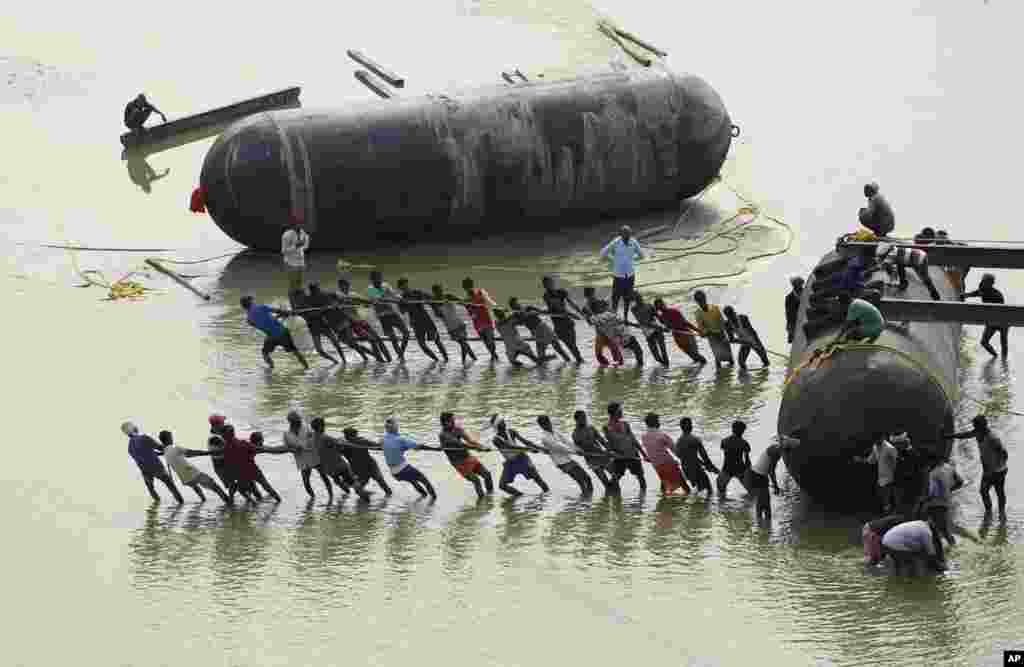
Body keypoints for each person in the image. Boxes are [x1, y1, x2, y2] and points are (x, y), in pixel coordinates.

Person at [947, 415, 1008, 518]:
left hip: (998, 470)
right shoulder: (978, 432)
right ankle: (989, 513)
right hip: (988, 470)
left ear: (982, 426)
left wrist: (996, 466)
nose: (974, 428)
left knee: (998, 492)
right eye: (974, 426)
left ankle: (1001, 513)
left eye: (975, 426)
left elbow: (1004, 453)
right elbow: (965, 435)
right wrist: (949, 436)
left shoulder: (992, 438)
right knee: (984, 491)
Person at [517, 416, 592, 495]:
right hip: (562, 463)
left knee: (587, 478)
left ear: (549, 421)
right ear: (541, 426)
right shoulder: (545, 438)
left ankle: (588, 499)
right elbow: (559, 447)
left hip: (569, 459)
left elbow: (566, 441)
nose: (548, 425)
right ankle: (585, 501)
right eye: (545, 424)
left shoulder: (555, 431)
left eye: (548, 423)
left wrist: (577, 449)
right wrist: (576, 452)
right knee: (581, 481)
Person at [308, 282, 380, 362]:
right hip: (334, 325)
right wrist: (323, 310)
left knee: (351, 342)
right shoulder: (312, 300)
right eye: (314, 291)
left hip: (343, 321)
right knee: (351, 344)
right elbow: (315, 313)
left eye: (317, 289)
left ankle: (369, 356)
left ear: (318, 289)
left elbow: (342, 298)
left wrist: (336, 303)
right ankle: (370, 355)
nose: (317, 292)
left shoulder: (328, 294)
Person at [158, 430, 231, 503]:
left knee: (195, 486)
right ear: (168, 438)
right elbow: (191, 453)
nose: (172, 439)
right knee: (215, 486)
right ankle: (229, 502)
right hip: (193, 473)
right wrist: (209, 453)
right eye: (171, 437)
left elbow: (179, 458)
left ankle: (203, 500)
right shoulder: (175, 448)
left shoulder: (165, 452)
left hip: (184, 479)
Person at [485, 414, 549, 496]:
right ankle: (520, 496)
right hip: (510, 463)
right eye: (502, 422)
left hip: (522, 459)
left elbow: (526, 442)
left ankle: (548, 494)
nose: (505, 423)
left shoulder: (512, 431)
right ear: (497, 426)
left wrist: (540, 448)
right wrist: (528, 449)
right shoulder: (496, 440)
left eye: (503, 421)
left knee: (537, 479)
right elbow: (510, 447)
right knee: (502, 485)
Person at [310, 417, 371, 501]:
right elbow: (342, 443)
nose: (324, 427)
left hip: (329, 469)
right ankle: (366, 502)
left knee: (338, 481)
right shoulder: (325, 437)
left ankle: (346, 494)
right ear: (320, 427)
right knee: (354, 483)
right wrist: (361, 446)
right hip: (340, 465)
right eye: (323, 425)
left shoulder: (312, 438)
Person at [240, 296, 309, 370]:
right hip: (282, 333)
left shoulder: (249, 319)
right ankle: (306, 367)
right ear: (250, 302)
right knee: (295, 352)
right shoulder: (261, 307)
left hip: (271, 337)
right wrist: (287, 313)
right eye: (252, 300)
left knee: (265, 353)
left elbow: (264, 325)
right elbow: (278, 311)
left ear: (244, 307)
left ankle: (271, 369)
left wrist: (278, 316)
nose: (254, 302)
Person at [222, 426, 286, 503]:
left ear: (224, 436)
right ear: (233, 433)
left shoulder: (227, 447)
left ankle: (254, 503)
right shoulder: (243, 444)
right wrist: (286, 449)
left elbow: (227, 461)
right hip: (252, 470)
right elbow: (267, 449)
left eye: (223, 435)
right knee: (266, 487)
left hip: (241, 473)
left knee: (244, 490)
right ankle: (278, 501)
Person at [124, 421, 183, 503]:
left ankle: (156, 506)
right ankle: (181, 503)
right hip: (157, 468)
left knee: (151, 489)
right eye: (135, 426)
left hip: (145, 471)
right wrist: (167, 445)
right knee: (170, 485)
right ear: (134, 429)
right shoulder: (144, 438)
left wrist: (159, 453)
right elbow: (160, 447)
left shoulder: (129, 447)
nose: (137, 427)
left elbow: (145, 454)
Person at [439, 412, 494, 499]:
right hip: (458, 463)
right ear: (446, 422)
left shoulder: (457, 429)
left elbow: (470, 441)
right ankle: (482, 501)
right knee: (476, 481)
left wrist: (482, 446)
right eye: (452, 420)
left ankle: (490, 497)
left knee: (487, 474)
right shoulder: (443, 435)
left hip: (468, 457)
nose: (454, 422)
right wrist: (478, 448)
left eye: (454, 420)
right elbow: (460, 444)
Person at [336, 278, 391, 362]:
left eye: (347, 286)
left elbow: (365, 301)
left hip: (360, 320)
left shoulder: (352, 294)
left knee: (378, 339)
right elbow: (341, 300)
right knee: (371, 340)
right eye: (344, 286)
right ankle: (380, 360)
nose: (346, 287)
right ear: (340, 287)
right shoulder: (338, 295)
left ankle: (389, 359)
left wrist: (370, 302)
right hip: (352, 323)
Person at [381, 417, 438, 499]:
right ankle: (434, 499)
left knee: (413, 481)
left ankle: (424, 496)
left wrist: (404, 448)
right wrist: (436, 449)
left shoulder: (382, 439)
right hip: (403, 468)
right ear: (394, 427)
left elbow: (389, 449)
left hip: (394, 473)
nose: (398, 426)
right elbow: (419, 446)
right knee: (424, 480)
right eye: (397, 424)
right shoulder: (400, 439)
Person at [289, 287, 347, 364]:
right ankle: (335, 361)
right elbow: (295, 312)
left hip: (322, 324)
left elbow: (320, 306)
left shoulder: (310, 299)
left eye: (301, 296)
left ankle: (344, 361)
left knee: (335, 343)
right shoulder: (298, 306)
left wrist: (326, 307)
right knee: (319, 350)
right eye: (298, 297)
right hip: (313, 329)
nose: (300, 298)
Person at [600, 225, 646, 321]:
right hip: (618, 275)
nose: (627, 236)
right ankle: (614, 316)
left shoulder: (633, 242)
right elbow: (603, 253)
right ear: (620, 234)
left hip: (630, 274)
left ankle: (625, 317)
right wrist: (613, 260)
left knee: (628, 297)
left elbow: (642, 255)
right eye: (625, 234)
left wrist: (632, 260)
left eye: (629, 234)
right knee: (615, 297)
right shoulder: (616, 242)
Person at [397, 278, 448, 362]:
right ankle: (436, 360)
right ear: (400, 288)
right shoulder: (401, 298)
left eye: (406, 285)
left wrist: (436, 310)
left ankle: (446, 359)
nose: (405, 287)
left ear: (407, 284)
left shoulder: (417, 292)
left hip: (425, 319)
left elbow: (431, 299)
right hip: (415, 322)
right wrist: (403, 303)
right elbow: (402, 312)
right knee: (422, 345)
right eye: (403, 286)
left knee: (437, 340)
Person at [284, 410, 332, 501]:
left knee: (324, 476)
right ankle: (313, 498)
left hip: (314, 456)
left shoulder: (306, 428)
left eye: (299, 420)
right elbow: (287, 447)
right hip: (301, 459)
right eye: (297, 420)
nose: (299, 421)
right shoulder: (286, 434)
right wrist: (294, 449)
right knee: (306, 482)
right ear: (292, 422)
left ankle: (331, 496)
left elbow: (315, 439)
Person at [603, 402, 648, 493]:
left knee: (641, 478)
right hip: (620, 457)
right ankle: (610, 495)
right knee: (615, 479)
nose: (622, 412)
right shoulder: (607, 427)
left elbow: (634, 440)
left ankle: (642, 501)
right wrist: (610, 454)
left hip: (632, 454)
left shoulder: (625, 424)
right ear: (614, 412)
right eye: (620, 410)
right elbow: (610, 444)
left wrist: (644, 455)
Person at [641, 414, 689, 496]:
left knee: (664, 485)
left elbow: (652, 451)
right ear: (655, 422)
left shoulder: (643, 436)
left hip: (657, 465)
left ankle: (663, 503)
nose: (659, 422)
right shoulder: (662, 435)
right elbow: (676, 452)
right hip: (668, 463)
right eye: (658, 420)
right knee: (685, 487)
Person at [962, 273, 1008, 357]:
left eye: (985, 281)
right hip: (991, 320)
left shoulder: (997, 295)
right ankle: (996, 357)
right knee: (984, 342)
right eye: (983, 281)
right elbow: (975, 293)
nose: (983, 283)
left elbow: (1000, 310)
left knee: (1003, 343)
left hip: (1002, 320)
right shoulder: (982, 289)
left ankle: (1004, 362)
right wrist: (966, 295)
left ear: (991, 283)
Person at [367, 271, 410, 360]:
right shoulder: (370, 289)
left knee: (406, 333)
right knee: (393, 339)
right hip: (383, 317)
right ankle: (402, 358)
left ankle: (400, 354)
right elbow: (378, 299)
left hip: (392, 313)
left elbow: (394, 294)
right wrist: (388, 298)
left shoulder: (385, 285)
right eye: (376, 278)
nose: (379, 280)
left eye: (380, 278)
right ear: (372, 279)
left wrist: (401, 299)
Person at [541, 276, 585, 363]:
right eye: (547, 284)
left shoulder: (562, 292)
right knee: (561, 345)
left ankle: (578, 362)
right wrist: (571, 314)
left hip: (568, 323)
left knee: (572, 346)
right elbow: (557, 308)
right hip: (558, 325)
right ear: (544, 286)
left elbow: (572, 303)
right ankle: (572, 361)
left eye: (550, 283)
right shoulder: (546, 296)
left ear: (553, 283)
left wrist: (581, 313)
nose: (549, 285)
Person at [509, 297, 567, 363]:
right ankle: (553, 357)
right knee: (541, 358)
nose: (516, 306)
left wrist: (537, 312)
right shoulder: (516, 315)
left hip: (543, 328)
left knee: (558, 348)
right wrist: (521, 317)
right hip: (535, 332)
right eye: (513, 306)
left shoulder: (528, 308)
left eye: (516, 303)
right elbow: (519, 323)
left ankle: (568, 361)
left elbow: (541, 311)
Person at [572, 410, 618, 492]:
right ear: (577, 420)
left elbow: (601, 440)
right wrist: (579, 451)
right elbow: (578, 449)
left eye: (585, 417)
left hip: (603, 456)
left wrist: (609, 450)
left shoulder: (591, 428)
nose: (584, 419)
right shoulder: (575, 434)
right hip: (592, 460)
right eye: (582, 418)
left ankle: (616, 497)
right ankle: (610, 493)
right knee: (605, 482)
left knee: (615, 476)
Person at [880, 517, 947, 574]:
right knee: (913, 562)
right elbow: (931, 553)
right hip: (894, 544)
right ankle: (911, 580)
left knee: (899, 562)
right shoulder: (926, 532)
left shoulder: (919, 523)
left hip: (885, 542)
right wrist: (940, 567)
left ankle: (897, 576)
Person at [431, 284, 477, 363]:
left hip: (458, 323)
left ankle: (471, 359)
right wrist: (439, 305)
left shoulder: (448, 296)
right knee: (463, 343)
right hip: (450, 326)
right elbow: (438, 315)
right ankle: (467, 360)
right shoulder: (434, 302)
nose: (440, 292)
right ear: (434, 292)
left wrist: (470, 301)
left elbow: (461, 302)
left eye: (441, 290)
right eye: (438, 291)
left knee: (463, 343)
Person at [341, 428, 394, 496]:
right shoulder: (344, 445)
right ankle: (364, 496)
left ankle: (388, 494)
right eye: (345, 435)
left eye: (346, 435)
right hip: (358, 468)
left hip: (369, 465)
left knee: (379, 480)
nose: (345, 436)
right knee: (362, 484)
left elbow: (378, 447)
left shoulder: (361, 441)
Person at [653, 298, 707, 365]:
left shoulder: (674, 311)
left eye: (662, 304)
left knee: (696, 355)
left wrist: (698, 330)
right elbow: (668, 328)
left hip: (687, 334)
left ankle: (706, 367)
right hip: (678, 338)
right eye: (659, 307)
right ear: (657, 309)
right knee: (694, 357)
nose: (662, 307)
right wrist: (665, 329)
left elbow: (685, 323)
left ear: (664, 304)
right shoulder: (661, 317)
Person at [591, 301, 644, 367]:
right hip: (625, 335)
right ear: (598, 308)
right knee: (638, 351)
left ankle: (620, 367)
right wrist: (635, 325)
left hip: (616, 339)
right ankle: (639, 368)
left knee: (625, 352)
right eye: (600, 306)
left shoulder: (594, 318)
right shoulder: (607, 314)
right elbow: (621, 320)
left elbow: (598, 326)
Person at [854, 437, 900, 513]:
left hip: (891, 479)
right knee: (885, 502)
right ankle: (887, 516)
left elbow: (897, 463)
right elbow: (872, 460)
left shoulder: (890, 448)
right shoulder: (875, 446)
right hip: (881, 479)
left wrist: (895, 477)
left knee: (890, 501)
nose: (876, 442)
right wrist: (861, 460)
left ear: (882, 438)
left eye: (878, 440)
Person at [674, 418, 718, 496]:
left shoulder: (679, 441)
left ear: (681, 427)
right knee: (709, 491)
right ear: (691, 426)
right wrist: (712, 467)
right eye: (690, 424)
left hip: (686, 469)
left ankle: (696, 506)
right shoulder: (695, 439)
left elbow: (681, 456)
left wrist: (704, 465)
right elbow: (704, 456)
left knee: (698, 489)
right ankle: (706, 507)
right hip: (696, 469)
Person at [693, 290, 734, 369]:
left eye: (702, 299)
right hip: (712, 338)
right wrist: (705, 333)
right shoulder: (698, 313)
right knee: (717, 356)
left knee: (729, 356)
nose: (702, 301)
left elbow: (722, 321)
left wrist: (726, 331)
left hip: (721, 335)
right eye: (699, 300)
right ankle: (719, 371)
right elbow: (701, 328)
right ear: (696, 302)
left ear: (705, 298)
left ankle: (729, 370)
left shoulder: (715, 308)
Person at [583, 287, 623, 366]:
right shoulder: (592, 304)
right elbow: (590, 322)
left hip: (605, 332)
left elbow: (590, 322)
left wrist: (590, 315)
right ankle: (615, 368)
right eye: (590, 294)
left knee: (609, 353)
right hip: (603, 332)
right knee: (606, 353)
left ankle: (616, 368)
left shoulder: (594, 304)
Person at [462, 277, 499, 360]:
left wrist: (496, 306)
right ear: (464, 288)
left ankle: (493, 355)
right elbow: (470, 313)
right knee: (486, 342)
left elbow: (489, 300)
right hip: (477, 322)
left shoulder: (480, 291)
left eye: (469, 286)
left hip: (486, 319)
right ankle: (494, 356)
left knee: (490, 340)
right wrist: (468, 307)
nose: (468, 289)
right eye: (466, 287)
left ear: (472, 285)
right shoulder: (465, 300)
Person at [748, 441, 785, 520]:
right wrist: (775, 486)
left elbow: (769, 470)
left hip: (757, 474)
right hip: (759, 476)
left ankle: (761, 523)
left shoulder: (774, 447)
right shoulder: (776, 453)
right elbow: (771, 471)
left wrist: (774, 485)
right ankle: (764, 523)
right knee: (765, 502)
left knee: (762, 500)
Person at [632, 293, 669, 366]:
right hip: (647, 331)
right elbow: (643, 321)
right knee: (656, 356)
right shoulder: (634, 309)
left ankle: (666, 367)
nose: (639, 299)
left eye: (639, 297)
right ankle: (664, 365)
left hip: (657, 329)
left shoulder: (649, 305)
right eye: (636, 298)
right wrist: (660, 327)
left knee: (663, 350)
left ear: (641, 297)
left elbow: (658, 316)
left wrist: (666, 325)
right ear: (634, 300)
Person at [717, 420, 752, 496]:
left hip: (727, 469)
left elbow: (725, 453)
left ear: (732, 429)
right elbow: (747, 460)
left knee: (720, 493)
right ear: (742, 431)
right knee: (752, 492)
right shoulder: (744, 443)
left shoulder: (724, 441)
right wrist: (749, 472)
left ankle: (723, 507)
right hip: (740, 469)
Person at [281, 216, 310, 291]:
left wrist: (303, 245)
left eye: (302, 223)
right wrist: (295, 246)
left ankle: (298, 300)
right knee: (292, 283)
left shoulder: (304, 234)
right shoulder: (286, 235)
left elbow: (305, 247)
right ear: (293, 224)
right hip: (290, 262)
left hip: (301, 262)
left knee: (299, 283)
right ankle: (292, 300)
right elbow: (284, 251)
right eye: (298, 223)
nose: (300, 225)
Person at [785, 276, 804, 344]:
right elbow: (789, 314)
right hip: (796, 322)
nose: (799, 285)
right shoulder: (789, 298)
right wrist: (791, 330)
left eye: (800, 283)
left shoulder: (807, 292)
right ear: (794, 285)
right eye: (797, 284)